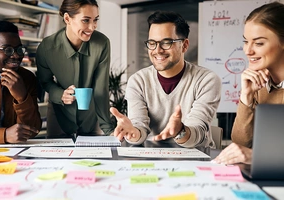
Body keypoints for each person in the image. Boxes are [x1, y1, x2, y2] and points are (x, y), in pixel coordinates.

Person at [110, 11, 221, 149]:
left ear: (185, 45)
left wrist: (180, 131)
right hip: (151, 158)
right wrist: (134, 133)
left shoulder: (206, 80)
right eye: (152, 43)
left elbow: (198, 131)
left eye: (166, 43)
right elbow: (139, 127)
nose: (157, 50)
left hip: (195, 157)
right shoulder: (138, 81)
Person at [213, 1, 284, 165]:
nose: (247, 50)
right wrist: (246, 97)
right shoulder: (260, 87)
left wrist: (258, 157)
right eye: (246, 41)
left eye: (258, 43)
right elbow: (240, 145)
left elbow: (252, 154)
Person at [36, 0, 114, 138]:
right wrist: (60, 94)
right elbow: (45, 82)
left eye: (95, 20)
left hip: (91, 117)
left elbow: (100, 88)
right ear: (67, 19)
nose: (92, 27)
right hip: (59, 114)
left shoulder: (102, 43)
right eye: (86, 20)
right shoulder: (47, 47)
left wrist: (108, 130)